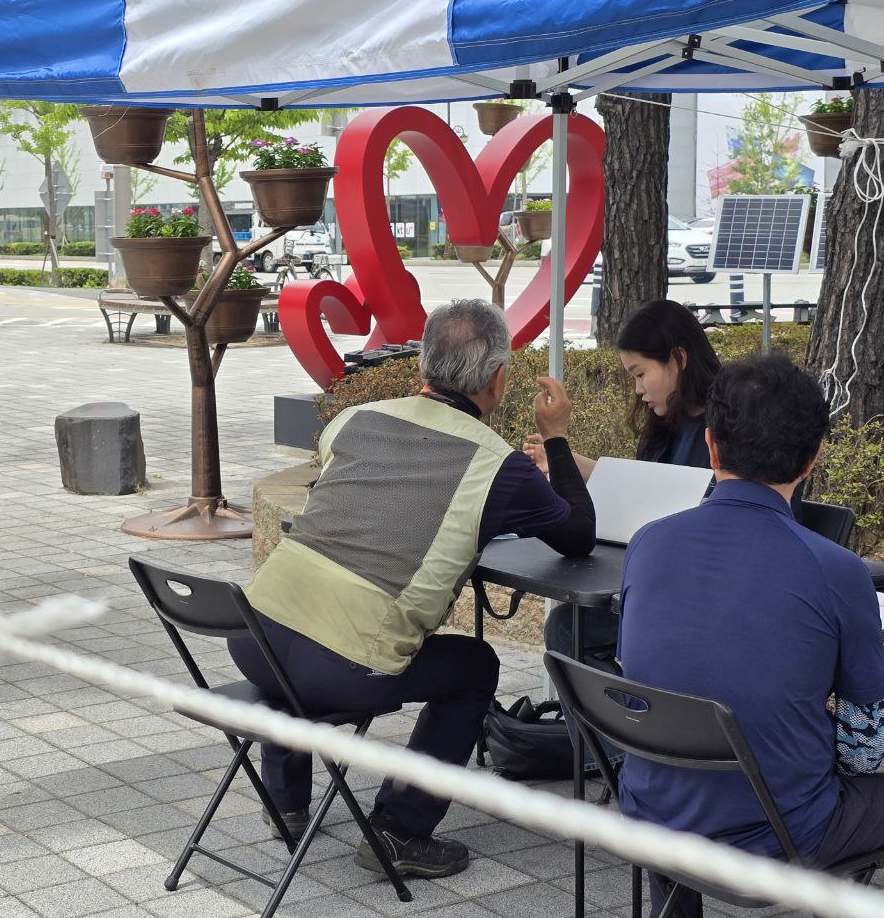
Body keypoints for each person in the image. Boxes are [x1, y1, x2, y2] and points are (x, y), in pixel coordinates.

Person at [229, 299, 596, 879]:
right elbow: (578, 535)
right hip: (339, 666)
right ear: (499, 377)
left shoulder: (351, 420)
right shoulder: (497, 466)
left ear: (423, 365)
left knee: (300, 650)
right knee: (474, 665)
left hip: (253, 634)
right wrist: (555, 439)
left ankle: (286, 804)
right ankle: (400, 829)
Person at [617, 355, 884, 918]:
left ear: (710, 445)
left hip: (649, 815)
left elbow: (659, 676)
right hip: (775, 840)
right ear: (813, 458)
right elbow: (867, 749)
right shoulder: (836, 570)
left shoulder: (648, 544)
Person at [531, 299, 721, 671]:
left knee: (569, 629)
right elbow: (645, 491)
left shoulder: (726, 429)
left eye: (640, 374)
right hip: (661, 581)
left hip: (699, 593)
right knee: (569, 624)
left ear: (678, 358)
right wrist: (563, 459)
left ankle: (610, 726)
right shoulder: (665, 430)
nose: (637, 390)